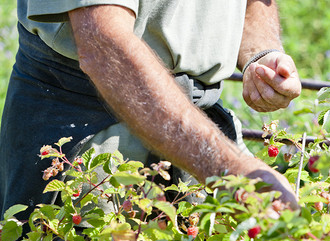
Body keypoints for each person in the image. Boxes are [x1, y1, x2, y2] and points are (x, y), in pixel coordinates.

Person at [0, 1, 301, 224]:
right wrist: (228, 169)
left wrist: (261, 52)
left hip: (196, 133)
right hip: (95, 137)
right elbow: (104, 45)